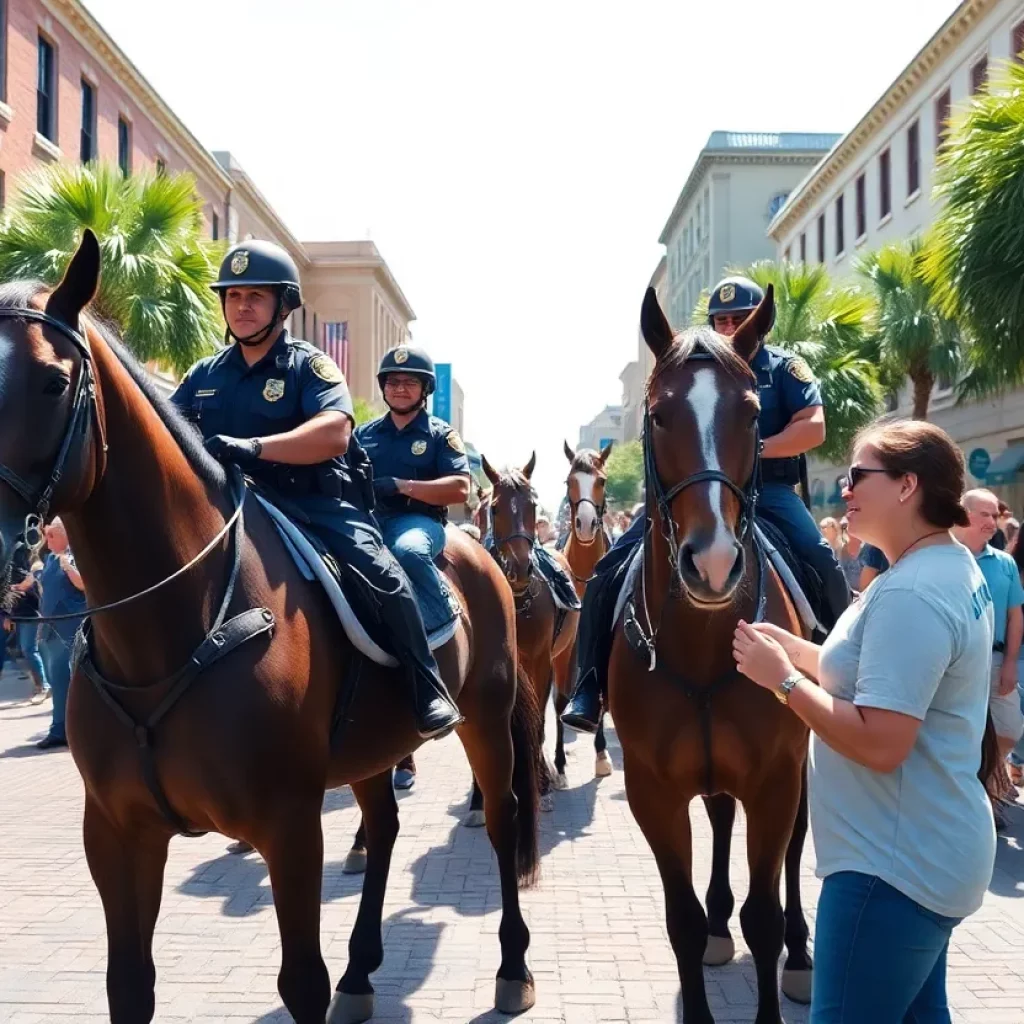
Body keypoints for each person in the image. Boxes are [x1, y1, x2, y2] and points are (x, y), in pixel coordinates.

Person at [733, 419, 995, 1023]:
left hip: (893, 872)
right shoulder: (939, 567)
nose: (845, 490)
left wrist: (783, 681)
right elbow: (876, 672)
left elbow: (881, 744)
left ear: (907, 486)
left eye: (857, 477)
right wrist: (796, 652)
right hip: (923, 855)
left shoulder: (912, 593)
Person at [170, 240, 462, 741]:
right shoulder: (204, 374)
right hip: (227, 505)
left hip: (311, 504)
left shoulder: (309, 366)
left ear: (283, 305)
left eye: (255, 296)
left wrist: (254, 447)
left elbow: (334, 433)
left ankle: (426, 684)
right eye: (233, 295)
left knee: (382, 571)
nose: (242, 305)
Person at [562, 275, 851, 732]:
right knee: (606, 572)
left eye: (739, 319)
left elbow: (813, 427)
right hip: (690, 493)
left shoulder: (784, 368)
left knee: (821, 559)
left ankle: (842, 674)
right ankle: (589, 684)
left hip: (768, 491)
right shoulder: (692, 371)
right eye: (721, 320)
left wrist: (747, 448)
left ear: (758, 325)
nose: (730, 326)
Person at [355, 345, 470, 644]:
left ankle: (439, 621)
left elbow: (460, 487)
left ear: (425, 389)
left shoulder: (441, 435)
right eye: (393, 382)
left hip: (418, 521)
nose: (400, 389)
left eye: (410, 382)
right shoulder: (362, 435)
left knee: (409, 552)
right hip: (368, 519)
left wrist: (401, 485)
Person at [952, 490, 1024, 773]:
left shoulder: (1005, 563)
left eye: (995, 516)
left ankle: (990, 778)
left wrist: (1009, 663)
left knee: (1010, 729)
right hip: (957, 664)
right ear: (963, 514)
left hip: (995, 662)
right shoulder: (943, 557)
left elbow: (1015, 616)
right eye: (985, 514)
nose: (992, 522)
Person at [36, 519, 86, 750]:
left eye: (52, 535)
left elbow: (84, 585)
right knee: (58, 680)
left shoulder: (76, 555)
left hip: (72, 627)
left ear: (66, 535)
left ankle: (69, 730)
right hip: (51, 629)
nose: (48, 540)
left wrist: (68, 566)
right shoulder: (48, 559)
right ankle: (59, 729)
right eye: (46, 535)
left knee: (73, 679)